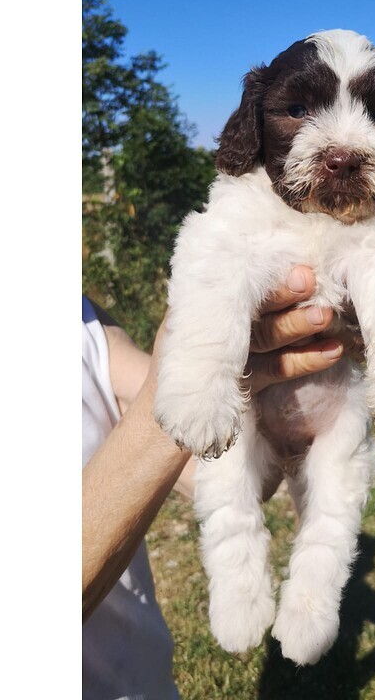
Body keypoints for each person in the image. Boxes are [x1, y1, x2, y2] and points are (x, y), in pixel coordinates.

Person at [82, 266, 349, 699]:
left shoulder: (85, 321)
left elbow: (230, 473)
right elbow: (169, 403)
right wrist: (190, 385)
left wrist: (283, 393)